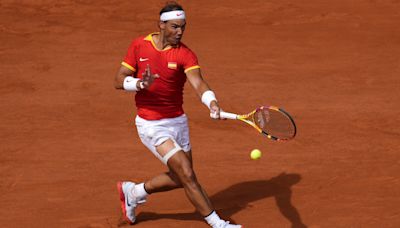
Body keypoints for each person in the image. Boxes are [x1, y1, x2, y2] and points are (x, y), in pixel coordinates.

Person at [114, 2, 241, 228]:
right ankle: (218, 224)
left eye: (183, 27)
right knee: (187, 174)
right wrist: (139, 84)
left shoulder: (185, 54)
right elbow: (118, 79)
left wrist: (211, 102)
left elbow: (198, 83)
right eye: (174, 27)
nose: (179, 32)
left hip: (177, 121)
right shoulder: (139, 46)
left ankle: (133, 192)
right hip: (151, 124)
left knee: (181, 177)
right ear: (161, 25)